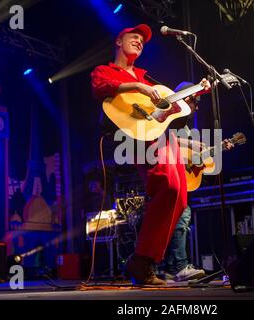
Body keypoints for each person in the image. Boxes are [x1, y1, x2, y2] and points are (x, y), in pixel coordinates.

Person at [91, 24, 190, 286]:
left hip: (159, 134)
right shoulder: (106, 71)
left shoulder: (149, 78)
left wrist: (172, 110)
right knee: (167, 186)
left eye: (143, 40)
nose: (139, 41)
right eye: (134, 37)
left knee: (179, 194)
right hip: (135, 136)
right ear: (118, 40)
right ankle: (143, 260)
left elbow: (157, 115)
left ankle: (144, 262)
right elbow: (100, 87)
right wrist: (137, 86)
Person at [162, 82, 234, 282]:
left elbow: (193, 160)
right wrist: (190, 143)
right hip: (168, 175)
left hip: (180, 177)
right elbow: (163, 137)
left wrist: (216, 150)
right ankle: (179, 266)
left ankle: (169, 268)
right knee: (182, 219)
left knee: (179, 221)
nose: (198, 106)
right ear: (186, 98)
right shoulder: (172, 117)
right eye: (196, 100)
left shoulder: (185, 126)